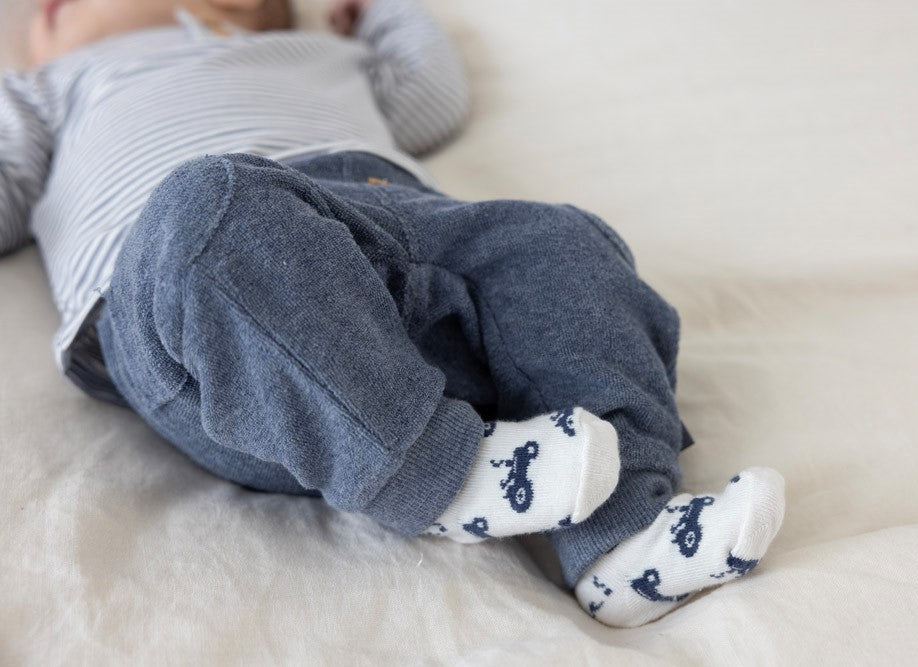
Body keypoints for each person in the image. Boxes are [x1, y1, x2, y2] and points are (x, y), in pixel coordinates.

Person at [0, 0, 785, 627]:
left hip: (398, 240)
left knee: (558, 240)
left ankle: (624, 537)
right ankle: (444, 475)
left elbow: (430, 98)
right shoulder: (47, 90)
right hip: (213, 342)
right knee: (207, 207)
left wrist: (380, 10)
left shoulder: (321, 53)